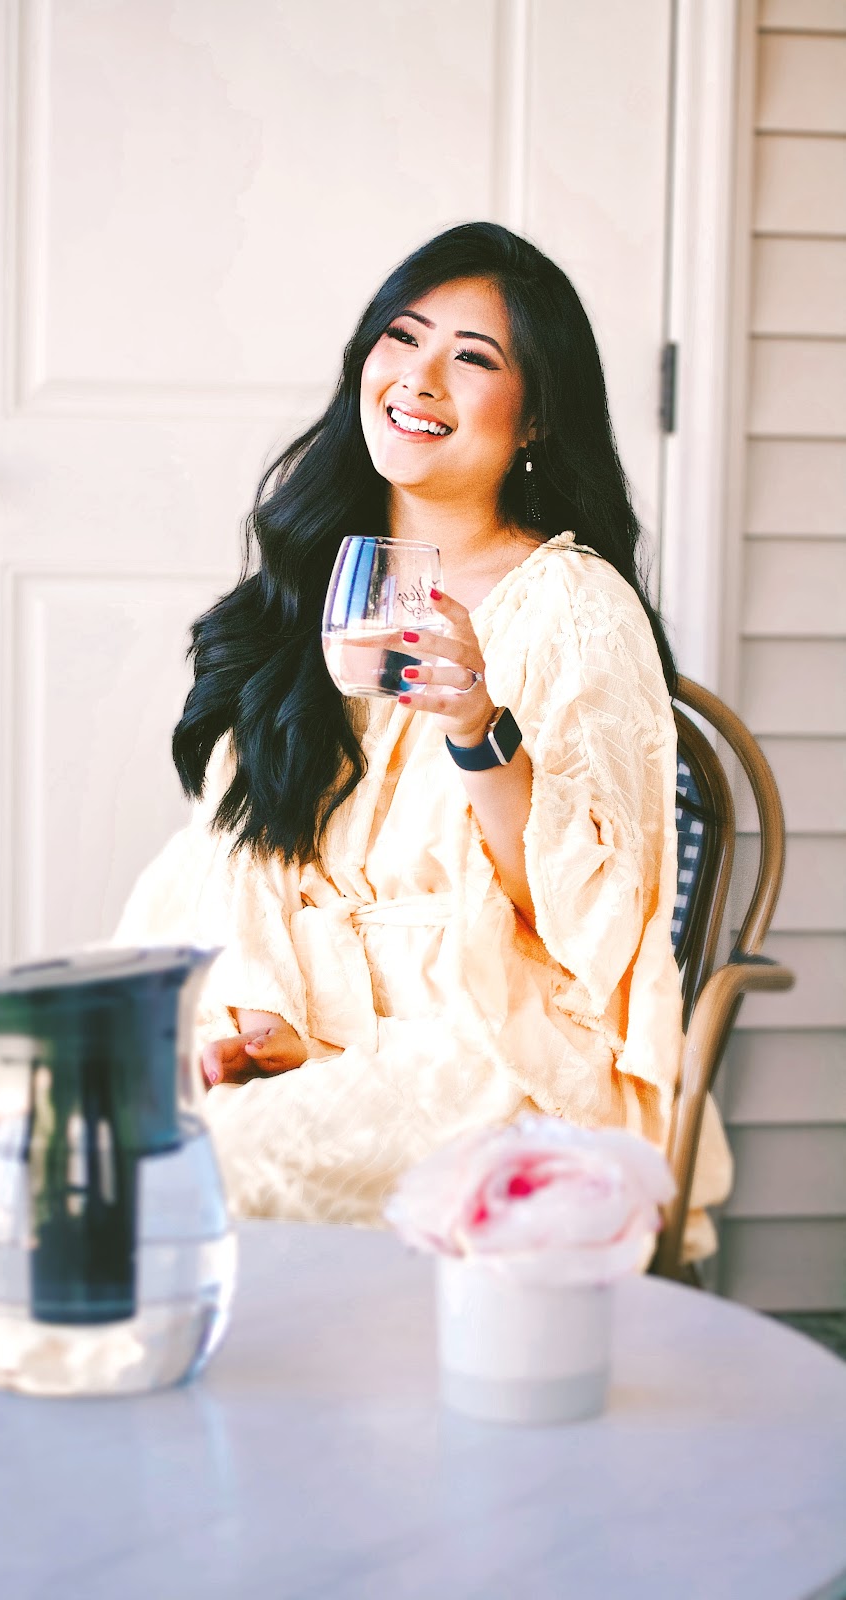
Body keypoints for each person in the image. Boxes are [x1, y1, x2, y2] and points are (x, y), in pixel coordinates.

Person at [115, 222, 732, 1264]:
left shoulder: (568, 606)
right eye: (401, 337)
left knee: (200, 1167)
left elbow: (591, 923)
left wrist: (477, 728)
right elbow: (236, 858)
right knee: (72, 1120)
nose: (419, 376)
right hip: (292, 1012)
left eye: (472, 358)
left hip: (488, 1039)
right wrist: (264, 1012)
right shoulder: (308, 586)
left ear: (535, 414)